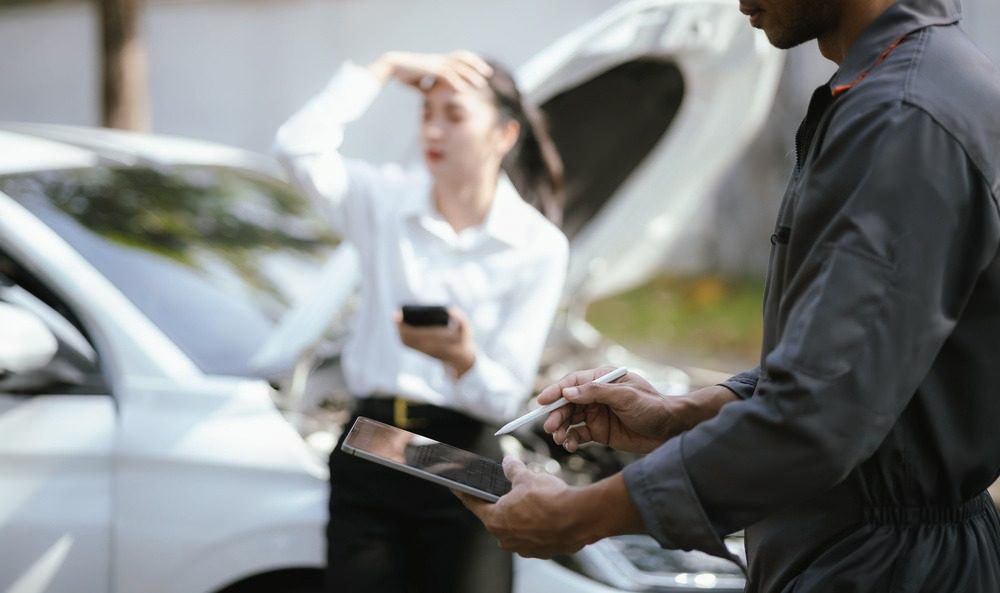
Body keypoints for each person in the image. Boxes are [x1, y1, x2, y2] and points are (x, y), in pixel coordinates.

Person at [458, 0, 1000, 591]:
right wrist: (682, 414)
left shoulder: (902, 118)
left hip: (882, 569)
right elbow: (863, 369)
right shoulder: (920, 81)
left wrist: (577, 516)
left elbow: (815, 418)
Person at [273, 51, 569, 593]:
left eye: (453, 115)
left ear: (504, 134)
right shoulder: (384, 201)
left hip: (464, 455)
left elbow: (505, 398)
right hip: (375, 440)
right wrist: (380, 69)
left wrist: (461, 359)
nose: (432, 129)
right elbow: (296, 146)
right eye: (426, 112)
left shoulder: (537, 246)